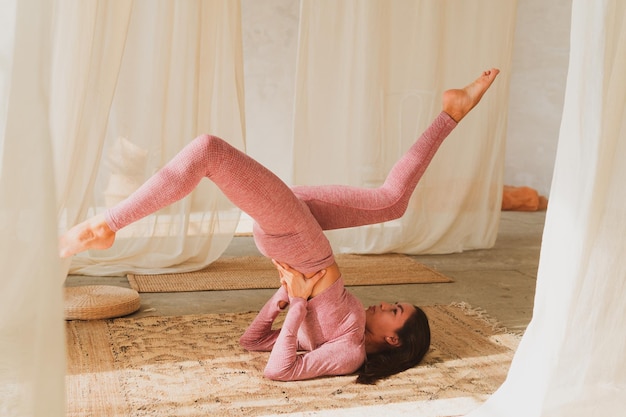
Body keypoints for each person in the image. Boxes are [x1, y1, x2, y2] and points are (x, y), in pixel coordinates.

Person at [60, 68, 500, 383]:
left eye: (396, 311)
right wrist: (286, 300)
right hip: (302, 239)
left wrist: (299, 303)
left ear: (392, 339)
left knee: (208, 150)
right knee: (391, 203)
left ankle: (106, 225)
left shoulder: (346, 354)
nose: (387, 303)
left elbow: (277, 369)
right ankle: (451, 113)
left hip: (297, 243)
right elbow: (253, 342)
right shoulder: (347, 331)